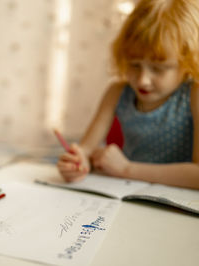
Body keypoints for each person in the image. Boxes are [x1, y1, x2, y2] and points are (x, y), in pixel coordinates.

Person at [57, 0, 199, 190]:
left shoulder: (193, 96)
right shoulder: (116, 92)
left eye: (158, 69)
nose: (142, 80)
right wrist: (78, 162)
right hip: (126, 193)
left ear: (188, 62)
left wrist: (126, 169)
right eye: (134, 65)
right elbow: (86, 149)